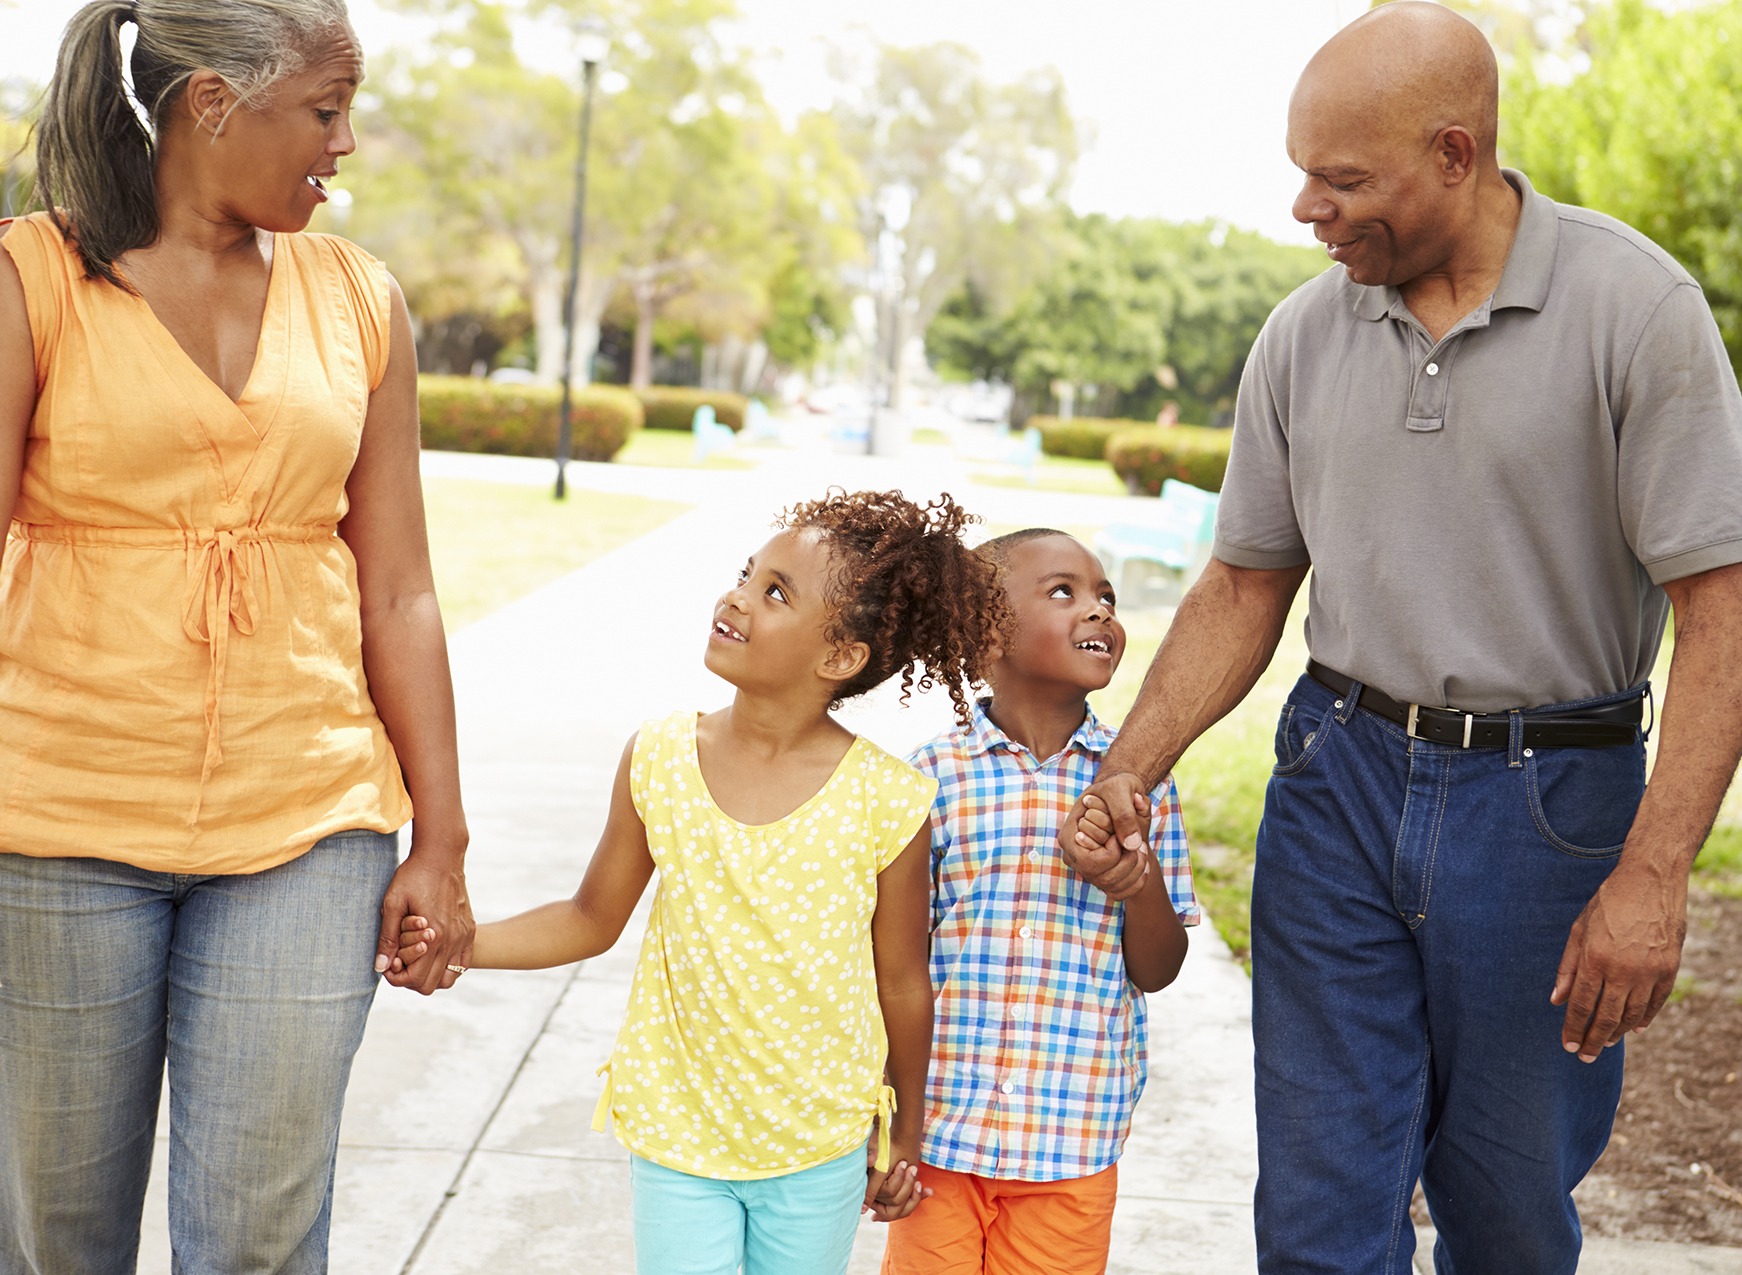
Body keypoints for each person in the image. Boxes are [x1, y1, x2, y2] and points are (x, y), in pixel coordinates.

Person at [1058, 4, 1742, 1273]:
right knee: (1318, 1213)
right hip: (1337, 782)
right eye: (1301, 173)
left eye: (1340, 178)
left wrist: (1651, 878)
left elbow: (1721, 615)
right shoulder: (1302, 334)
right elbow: (1241, 584)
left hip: (1550, 808)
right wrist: (1129, 765)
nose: (1306, 209)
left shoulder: (1635, 311)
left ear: (1452, 153)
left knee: (1506, 1214)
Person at [0, 2, 473, 1271]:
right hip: (56, 824)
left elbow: (400, 592)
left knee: (261, 1238)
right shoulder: (32, 275)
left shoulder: (357, 297)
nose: (348, 142)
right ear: (212, 103)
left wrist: (443, 836)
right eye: (324, 111)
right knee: (56, 1237)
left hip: (304, 823)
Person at [397, 490, 1009, 1275]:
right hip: (678, 1131)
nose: (737, 597)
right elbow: (591, 916)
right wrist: (462, 946)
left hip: (816, 1141)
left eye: (776, 592)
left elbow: (902, 982)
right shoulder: (659, 758)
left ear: (839, 657)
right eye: (748, 575)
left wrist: (906, 1131)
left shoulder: (886, 800)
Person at [881, 528, 1198, 1275]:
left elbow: (1158, 967)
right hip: (943, 1139)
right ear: (984, 630)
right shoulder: (927, 779)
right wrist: (892, 1125)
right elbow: (895, 967)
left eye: (1106, 598)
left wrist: (1136, 878)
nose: (1099, 613)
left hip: (1070, 1140)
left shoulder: (1138, 782)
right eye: (1066, 592)